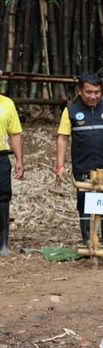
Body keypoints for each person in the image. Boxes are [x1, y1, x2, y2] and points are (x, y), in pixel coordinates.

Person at [56, 73, 103, 245]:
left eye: (97, 92)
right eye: (89, 92)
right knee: (85, 204)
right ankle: (89, 241)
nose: (93, 96)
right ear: (80, 91)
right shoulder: (71, 110)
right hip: (83, 166)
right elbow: (63, 138)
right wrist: (60, 165)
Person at [0, 94, 24, 255]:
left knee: (3, 198)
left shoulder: (7, 103)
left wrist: (19, 159)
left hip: (1, 156)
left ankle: (3, 243)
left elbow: (14, 133)